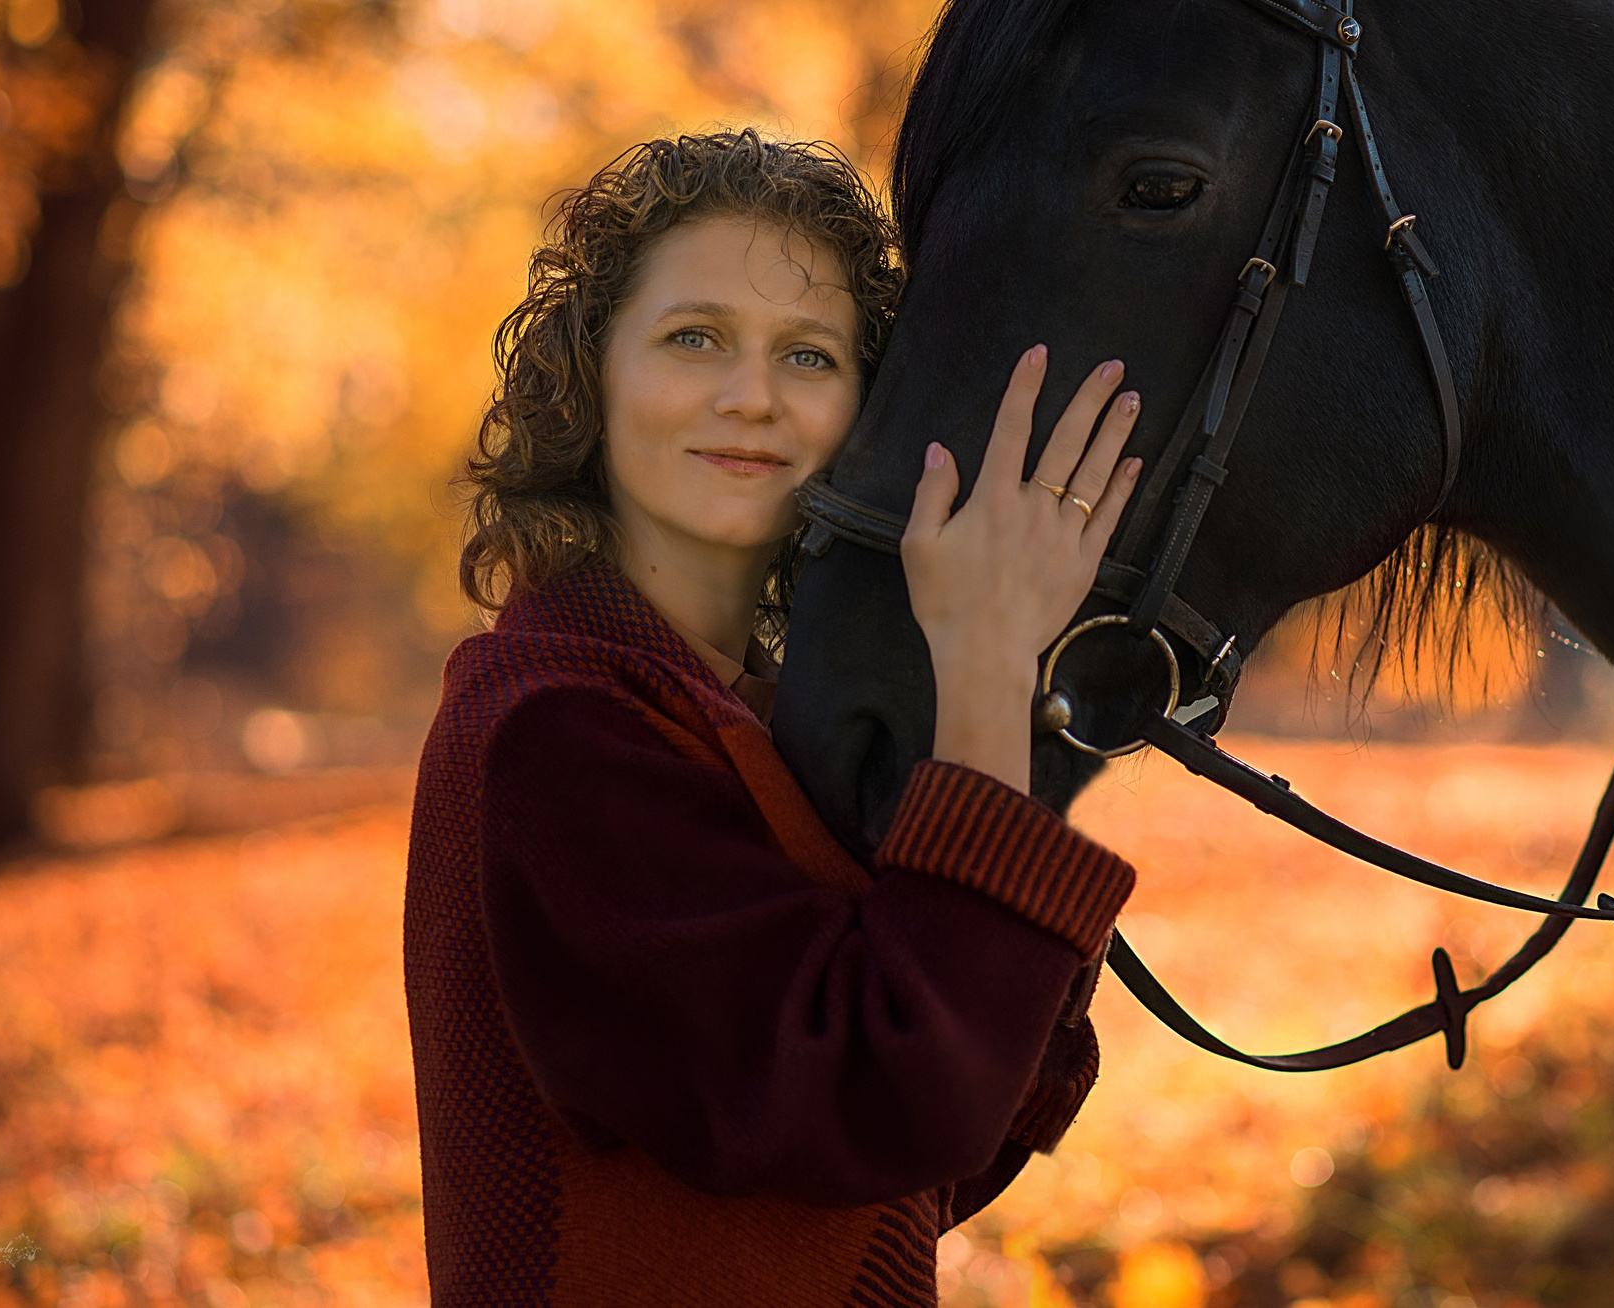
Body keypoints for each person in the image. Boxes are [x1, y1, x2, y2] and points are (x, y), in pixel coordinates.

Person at [403, 131, 1145, 1306]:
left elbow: (930, 1160)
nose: (751, 396)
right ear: (592, 375)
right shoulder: (552, 730)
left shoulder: (733, 717)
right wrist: (992, 661)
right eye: (693, 336)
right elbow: (886, 1101)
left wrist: (1007, 663)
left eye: (809, 354)